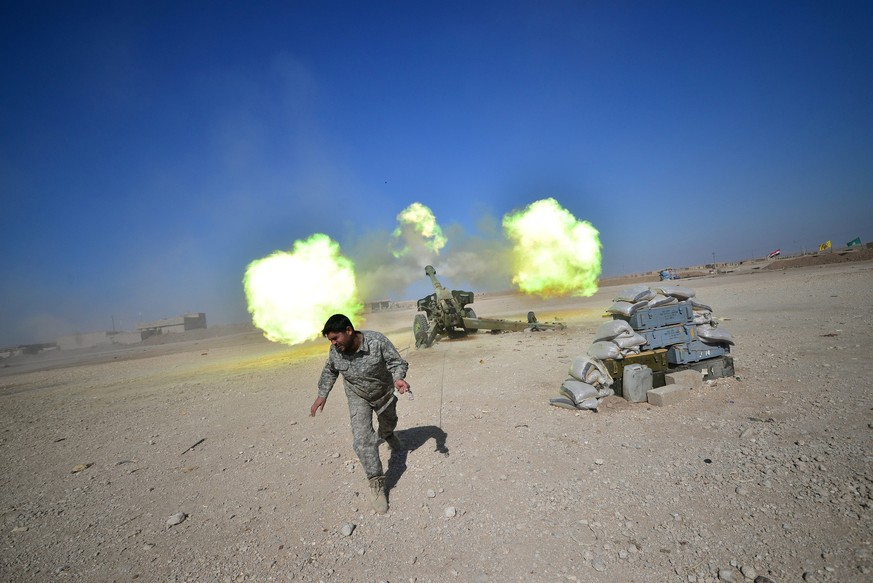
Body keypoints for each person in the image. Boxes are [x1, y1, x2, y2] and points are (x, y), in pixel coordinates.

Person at [310, 314, 410, 514]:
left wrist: (398, 378)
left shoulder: (376, 341)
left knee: (389, 423)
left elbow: (397, 363)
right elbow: (330, 370)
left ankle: (388, 434)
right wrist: (322, 394)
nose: (333, 343)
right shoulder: (336, 351)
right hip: (358, 397)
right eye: (330, 340)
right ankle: (376, 483)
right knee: (362, 440)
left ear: (348, 330)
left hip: (383, 393)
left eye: (335, 338)